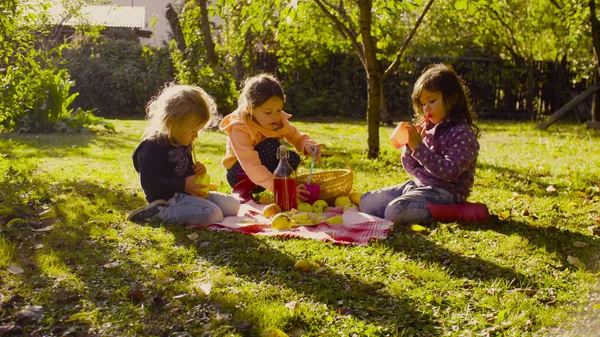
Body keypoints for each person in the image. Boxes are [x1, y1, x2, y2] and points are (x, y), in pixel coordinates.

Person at [360, 64, 489, 224]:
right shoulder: (428, 128)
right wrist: (410, 146)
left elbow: (449, 172)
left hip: (446, 194)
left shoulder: (462, 133)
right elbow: (411, 168)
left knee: (395, 212)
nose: (425, 108)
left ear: (453, 98)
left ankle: (458, 211)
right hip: (417, 186)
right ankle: (408, 206)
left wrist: (418, 148)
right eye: (422, 103)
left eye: (432, 101)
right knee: (366, 202)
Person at [127, 84, 240, 225]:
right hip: (168, 200)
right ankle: (157, 215)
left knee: (235, 205)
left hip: (186, 195)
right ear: (171, 122)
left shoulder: (182, 141)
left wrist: (197, 172)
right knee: (212, 214)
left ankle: (193, 208)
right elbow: (149, 182)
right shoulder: (152, 146)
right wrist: (182, 184)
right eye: (193, 131)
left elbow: (184, 169)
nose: (196, 136)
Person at [220, 73, 324, 203]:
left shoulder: (277, 120)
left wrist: (307, 145)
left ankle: (286, 190)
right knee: (271, 147)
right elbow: (250, 165)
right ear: (250, 109)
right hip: (239, 174)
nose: (275, 116)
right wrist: (280, 188)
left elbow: (294, 135)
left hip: (262, 174)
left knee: (292, 158)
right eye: (268, 112)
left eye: (279, 110)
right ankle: (242, 192)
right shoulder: (239, 127)